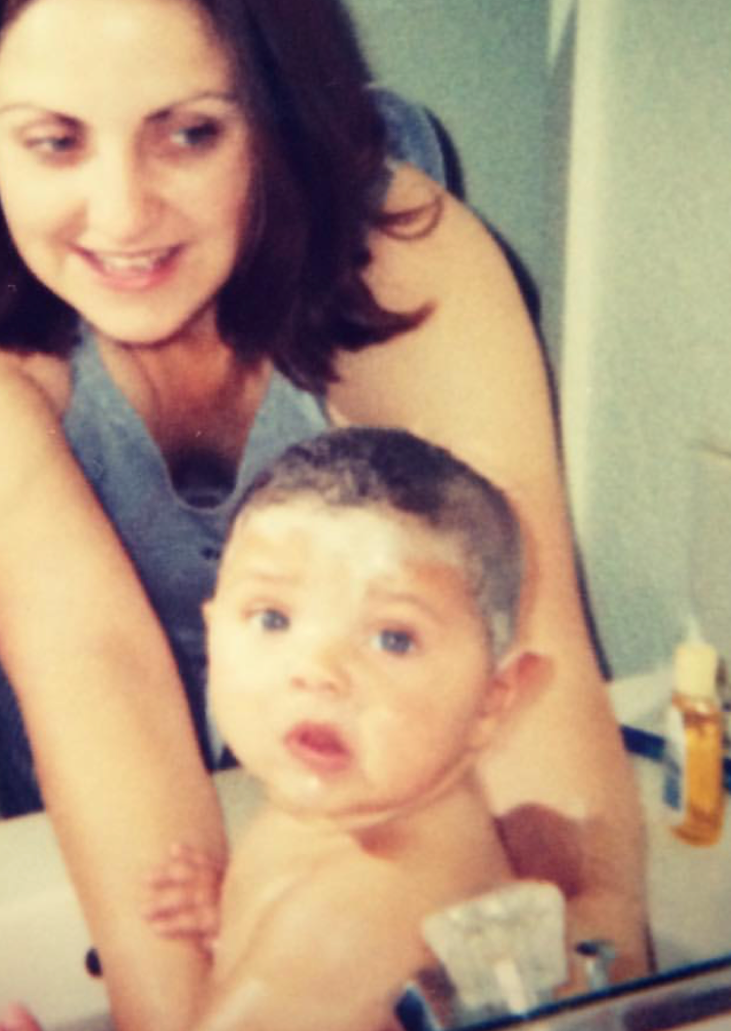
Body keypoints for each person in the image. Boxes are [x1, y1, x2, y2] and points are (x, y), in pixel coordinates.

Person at [0, 0, 648, 1031]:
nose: (120, 214)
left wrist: (599, 965)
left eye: (190, 133)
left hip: (395, 806)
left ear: (274, 110)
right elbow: (92, 667)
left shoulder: (401, 253)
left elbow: (525, 635)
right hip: (109, 796)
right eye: (52, 141)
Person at [144, 427, 540, 1031]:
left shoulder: (356, 917)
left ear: (493, 699)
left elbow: (328, 954)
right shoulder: (354, 816)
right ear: (213, 629)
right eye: (273, 619)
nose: (317, 672)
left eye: (392, 639)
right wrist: (234, 915)